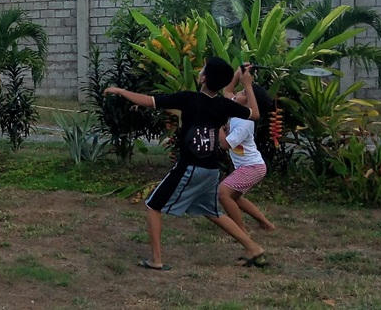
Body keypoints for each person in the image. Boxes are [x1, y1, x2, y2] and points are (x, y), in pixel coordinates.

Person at [104, 58, 266, 270]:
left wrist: (120, 91)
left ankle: (156, 260)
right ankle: (253, 247)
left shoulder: (188, 99)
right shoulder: (223, 104)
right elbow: (255, 113)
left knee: (153, 206)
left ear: (204, 78)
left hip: (190, 167)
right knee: (213, 212)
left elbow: (149, 100)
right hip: (211, 170)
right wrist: (245, 83)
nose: (201, 71)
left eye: (203, 70)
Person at [219, 82, 276, 235]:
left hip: (252, 167)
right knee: (235, 197)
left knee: (223, 193)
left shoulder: (245, 123)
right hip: (251, 166)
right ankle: (266, 224)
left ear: (250, 103)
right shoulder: (237, 110)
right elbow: (227, 90)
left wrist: (216, 123)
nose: (237, 93)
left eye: (243, 93)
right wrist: (241, 72)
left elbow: (225, 145)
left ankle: (240, 231)